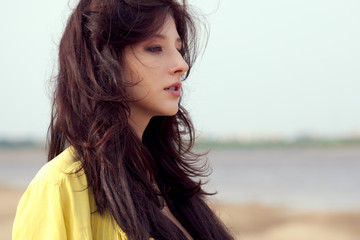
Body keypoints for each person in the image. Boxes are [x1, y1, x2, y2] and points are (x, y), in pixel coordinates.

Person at [13, 0, 233, 239]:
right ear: (103, 60)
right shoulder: (57, 188)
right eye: (155, 48)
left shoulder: (166, 181)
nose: (181, 64)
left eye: (178, 48)